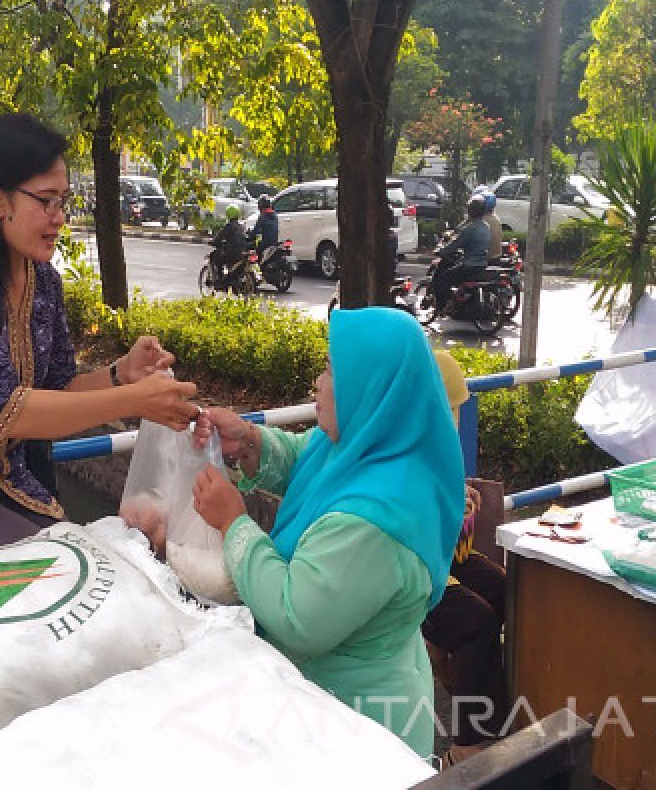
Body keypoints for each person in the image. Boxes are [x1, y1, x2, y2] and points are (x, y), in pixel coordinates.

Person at [0, 112, 199, 568]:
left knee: (107, 569)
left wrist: (121, 374)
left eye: (63, 201)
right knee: (66, 572)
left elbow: (59, 387)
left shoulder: (43, 281)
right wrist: (134, 400)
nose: (59, 218)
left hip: (8, 487)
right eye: (45, 201)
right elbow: (9, 412)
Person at [189, 307, 465, 758]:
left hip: (355, 727)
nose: (317, 382)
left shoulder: (375, 520)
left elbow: (298, 617)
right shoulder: (374, 446)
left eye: (332, 370)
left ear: (370, 387)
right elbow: (307, 458)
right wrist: (251, 443)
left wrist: (233, 524)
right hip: (326, 704)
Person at [421, 351, 509, 767]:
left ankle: (495, 706)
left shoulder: (436, 446)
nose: (455, 418)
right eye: (451, 408)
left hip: (445, 557)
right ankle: (465, 750)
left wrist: (461, 498)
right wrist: (454, 511)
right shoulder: (404, 449)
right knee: (477, 620)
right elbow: (414, 531)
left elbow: (447, 512)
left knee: (508, 587)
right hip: (415, 569)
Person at [430, 196, 490, 311]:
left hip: (469, 265)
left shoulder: (470, 229)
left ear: (471, 211)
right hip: (482, 264)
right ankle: (460, 295)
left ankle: (447, 304)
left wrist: (440, 251)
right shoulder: (486, 226)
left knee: (444, 278)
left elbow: (456, 244)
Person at [209, 204, 247, 285]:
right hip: (241, 252)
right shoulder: (241, 226)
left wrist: (213, 242)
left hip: (231, 252)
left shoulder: (229, 226)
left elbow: (219, 237)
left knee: (215, 257)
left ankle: (219, 279)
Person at [473, 185, 503, 262]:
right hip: (496, 257)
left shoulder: (478, 219)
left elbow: (462, 231)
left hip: (482, 259)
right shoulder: (496, 218)